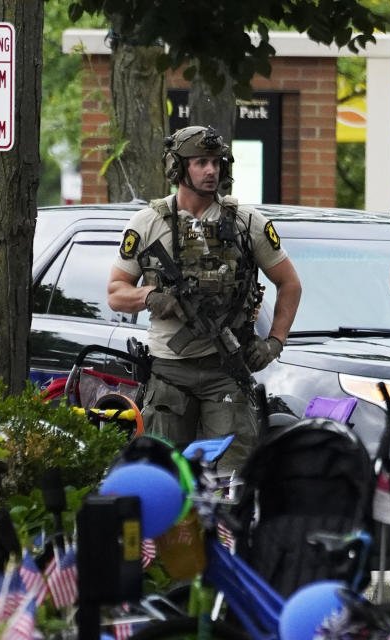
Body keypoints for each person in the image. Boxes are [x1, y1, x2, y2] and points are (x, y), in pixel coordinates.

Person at [107, 125, 302, 473]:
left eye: (216, 162)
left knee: (231, 478)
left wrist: (274, 342)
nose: (211, 170)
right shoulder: (148, 223)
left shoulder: (246, 223)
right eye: (200, 162)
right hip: (169, 370)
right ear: (178, 168)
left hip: (226, 371)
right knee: (161, 472)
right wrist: (152, 297)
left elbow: (289, 283)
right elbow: (115, 292)